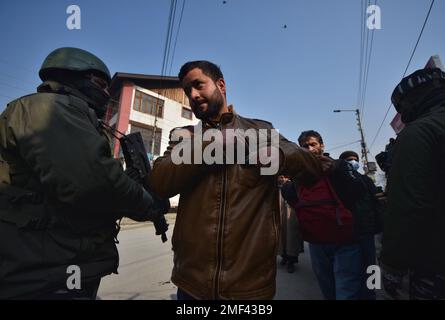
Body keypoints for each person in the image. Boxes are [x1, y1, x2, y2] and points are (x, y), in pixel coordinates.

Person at [149, 60, 326, 299]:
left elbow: (310, 167)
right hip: (191, 284)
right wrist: (212, 145)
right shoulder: (184, 137)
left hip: (250, 286)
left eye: (198, 85)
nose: (193, 94)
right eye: (187, 90)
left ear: (221, 85)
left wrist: (277, 156)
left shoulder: (259, 131)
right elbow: (159, 183)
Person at [0, 47, 168, 299]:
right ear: (72, 76)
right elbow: (95, 182)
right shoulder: (51, 109)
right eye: (100, 84)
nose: (105, 93)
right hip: (43, 274)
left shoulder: (64, 113)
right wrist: (150, 205)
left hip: (55, 266)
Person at [380, 67, 445, 300]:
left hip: (437, 264)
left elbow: (407, 206)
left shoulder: (419, 132)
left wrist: (392, 265)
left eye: (401, 106)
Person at [295, 130, 368, 300]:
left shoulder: (339, 165)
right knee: (328, 289)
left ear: (322, 145)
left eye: (313, 144)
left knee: (346, 289)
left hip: (345, 240)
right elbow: (291, 196)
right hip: (317, 242)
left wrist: (336, 170)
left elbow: (360, 190)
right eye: (305, 146)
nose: (310, 149)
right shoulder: (301, 173)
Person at [339, 150, 381, 300]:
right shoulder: (339, 182)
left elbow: (375, 202)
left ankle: (371, 294)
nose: (352, 162)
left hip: (366, 229)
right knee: (350, 269)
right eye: (348, 160)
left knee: (371, 266)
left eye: (354, 159)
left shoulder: (365, 180)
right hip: (347, 232)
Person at [278, 176, 304, 274]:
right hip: (279, 193)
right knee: (281, 229)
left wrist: (288, 179)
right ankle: (284, 256)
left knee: (291, 231)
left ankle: (291, 260)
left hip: (292, 194)